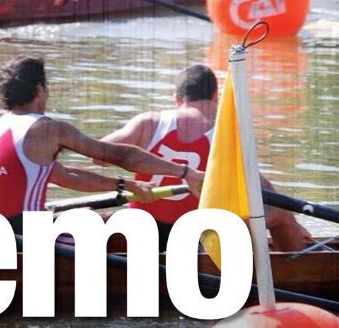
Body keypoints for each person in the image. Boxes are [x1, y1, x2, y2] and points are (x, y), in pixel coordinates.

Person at [100, 64, 313, 252]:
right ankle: (299, 269)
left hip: (142, 227)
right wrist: (291, 222)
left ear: (178, 99)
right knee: (282, 213)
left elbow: (99, 157)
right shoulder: (225, 135)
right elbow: (260, 187)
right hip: (192, 237)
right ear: (215, 97)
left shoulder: (149, 123)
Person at [0, 56, 202, 229]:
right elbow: (121, 156)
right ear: (39, 90)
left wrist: (126, 186)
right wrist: (183, 171)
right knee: (93, 222)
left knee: (82, 216)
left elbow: (67, 176)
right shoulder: (46, 129)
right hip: (22, 238)